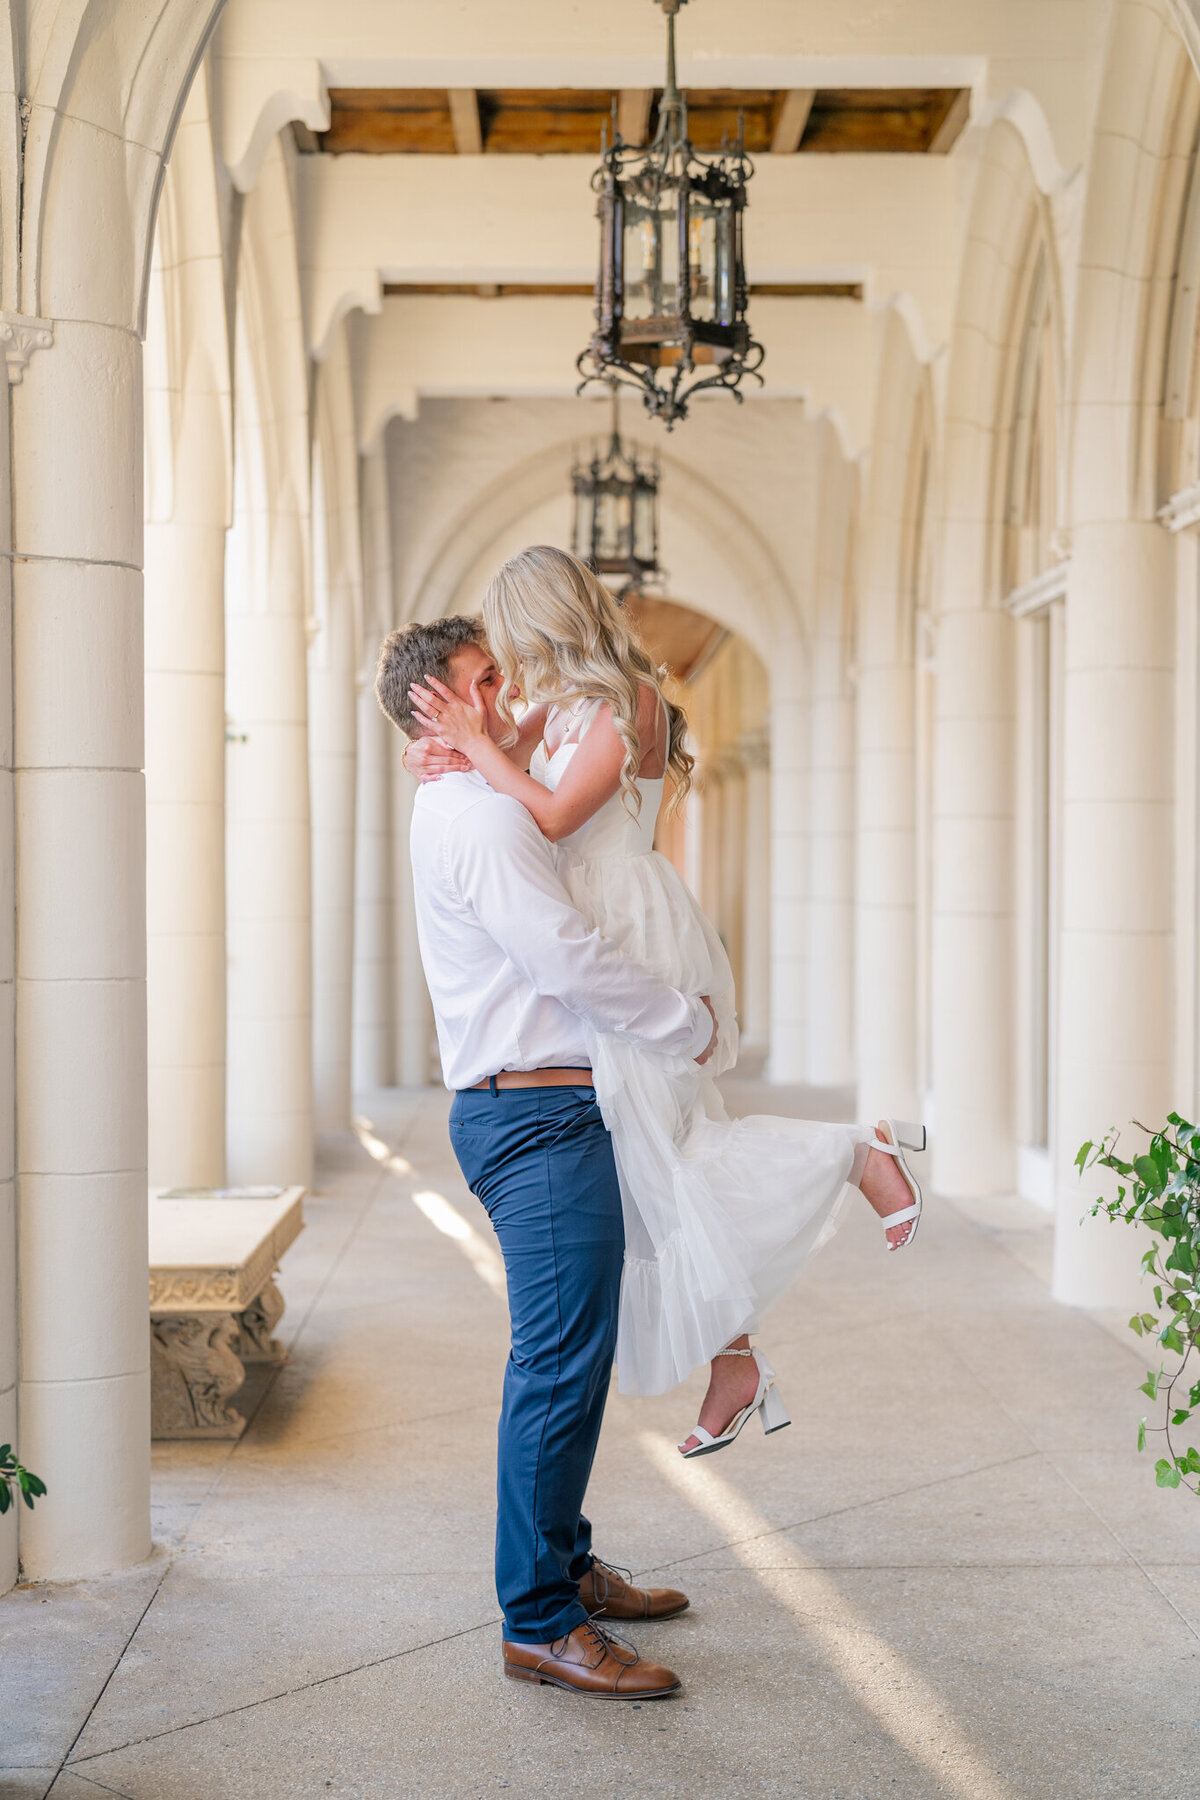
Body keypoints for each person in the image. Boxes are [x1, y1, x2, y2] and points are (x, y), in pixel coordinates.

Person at [404, 547, 926, 1459]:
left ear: (548, 617)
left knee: (667, 1148)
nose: (510, 665)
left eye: (515, 638)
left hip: (631, 927)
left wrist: (482, 745)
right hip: (596, 920)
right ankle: (735, 1361)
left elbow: (555, 816)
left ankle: (853, 1151)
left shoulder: (625, 699)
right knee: (649, 1163)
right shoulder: (559, 706)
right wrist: (440, 747)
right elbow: (489, 770)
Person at [376, 613, 716, 1699]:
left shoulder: (472, 793)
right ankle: (539, 1620)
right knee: (558, 1368)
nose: (508, 692)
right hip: (534, 1118)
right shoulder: (479, 821)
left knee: (571, 1357)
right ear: (440, 703)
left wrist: (475, 743)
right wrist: (685, 1023)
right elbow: (565, 958)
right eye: (485, 679)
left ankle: (566, 1565)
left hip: (548, 1110)